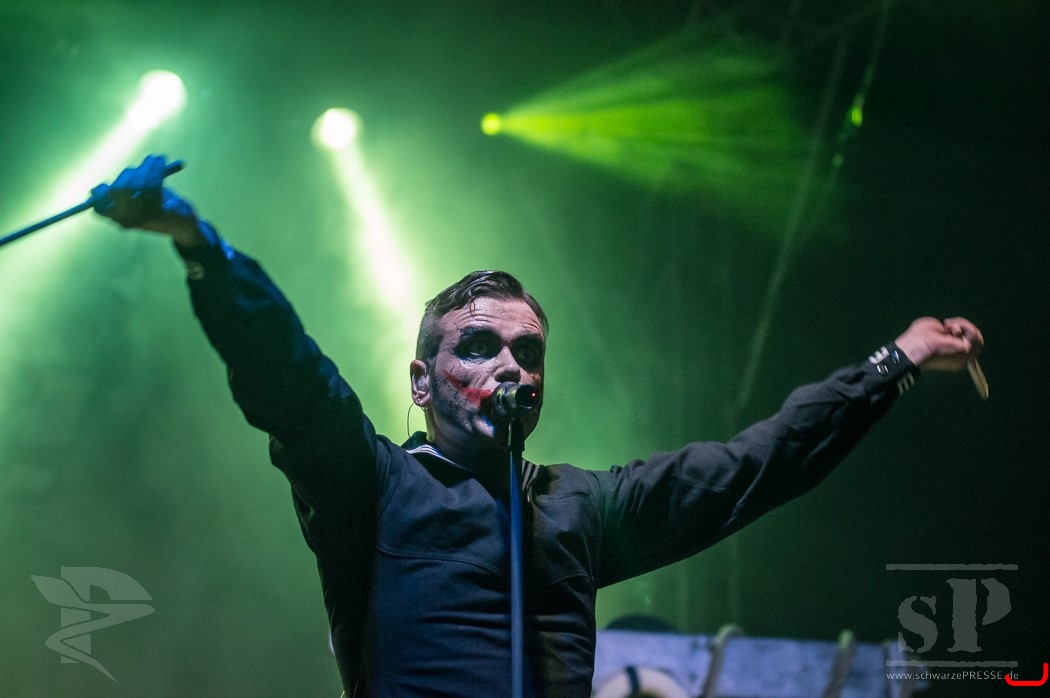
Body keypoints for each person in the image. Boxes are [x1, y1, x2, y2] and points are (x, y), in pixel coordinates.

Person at [93, 155, 984, 697]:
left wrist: (896, 359)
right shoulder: (373, 487)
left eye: (528, 352)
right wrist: (199, 246)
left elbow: (758, 463)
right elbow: (288, 379)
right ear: (421, 381)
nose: (511, 367)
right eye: (479, 347)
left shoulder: (577, 508)